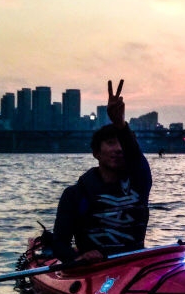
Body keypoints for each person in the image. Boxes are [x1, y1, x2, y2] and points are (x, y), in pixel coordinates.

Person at [50, 80, 152, 265]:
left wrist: (120, 124)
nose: (119, 149)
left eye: (122, 144)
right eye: (111, 143)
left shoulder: (139, 182)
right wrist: (78, 258)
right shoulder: (74, 195)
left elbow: (136, 156)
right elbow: (59, 244)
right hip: (94, 271)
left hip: (134, 266)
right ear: (96, 153)